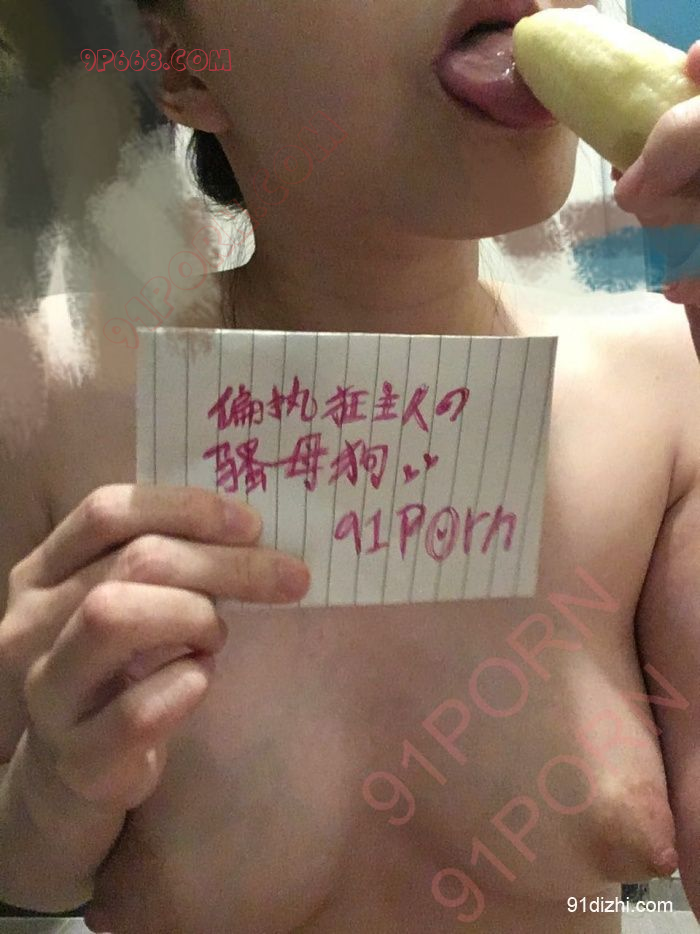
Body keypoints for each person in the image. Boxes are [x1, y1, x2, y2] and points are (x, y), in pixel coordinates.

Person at [1, 0, 699, 931]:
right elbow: (27, 881)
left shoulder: (672, 389)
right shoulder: (41, 397)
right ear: (185, 65)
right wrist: (50, 793)